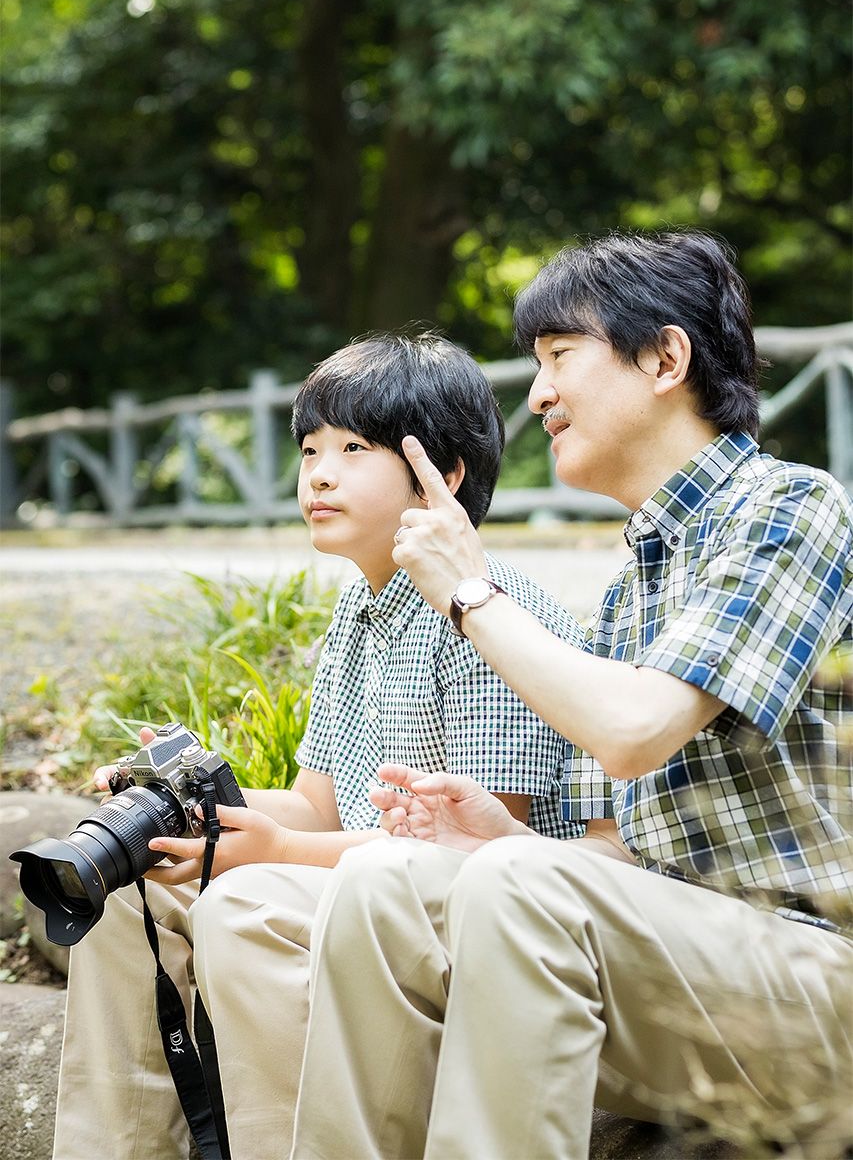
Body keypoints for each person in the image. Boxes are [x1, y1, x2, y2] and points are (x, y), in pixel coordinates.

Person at [290, 233, 853, 1160]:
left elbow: (636, 731)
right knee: (380, 881)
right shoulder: (629, 584)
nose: (537, 394)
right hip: (687, 972)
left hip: (814, 977)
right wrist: (497, 839)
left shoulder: (790, 509)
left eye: (559, 358)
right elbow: (608, 858)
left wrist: (469, 593)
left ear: (665, 358)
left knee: (514, 881)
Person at [52, 332, 611, 1160]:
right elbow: (319, 803)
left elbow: (470, 851)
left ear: (443, 477)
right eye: (311, 449)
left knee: (250, 908)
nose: (318, 473)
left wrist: (275, 851)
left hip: (470, 915)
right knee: (121, 888)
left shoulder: (493, 613)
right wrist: (185, 800)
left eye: (355, 450)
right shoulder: (361, 610)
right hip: (365, 873)